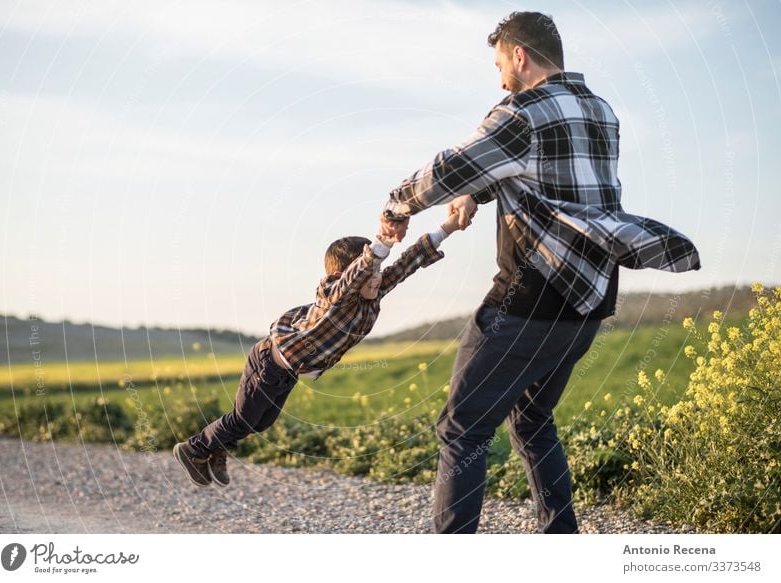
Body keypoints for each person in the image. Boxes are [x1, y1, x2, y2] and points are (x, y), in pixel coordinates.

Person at [381, 11, 701, 533]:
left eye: (499, 63)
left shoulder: (519, 113)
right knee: (531, 418)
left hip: (528, 299)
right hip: (591, 301)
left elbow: (449, 169)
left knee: (462, 428)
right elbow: (544, 177)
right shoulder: (602, 111)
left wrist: (397, 206)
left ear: (520, 56)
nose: (499, 76)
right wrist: (478, 193)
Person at [173, 212, 466, 487]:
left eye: (378, 272)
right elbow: (355, 276)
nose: (377, 276)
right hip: (268, 361)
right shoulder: (333, 295)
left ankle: (215, 447)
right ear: (344, 275)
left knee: (261, 422)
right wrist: (382, 243)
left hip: (288, 371)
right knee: (244, 418)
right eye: (371, 271)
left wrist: (449, 226)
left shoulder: (372, 292)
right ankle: (194, 449)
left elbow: (408, 263)